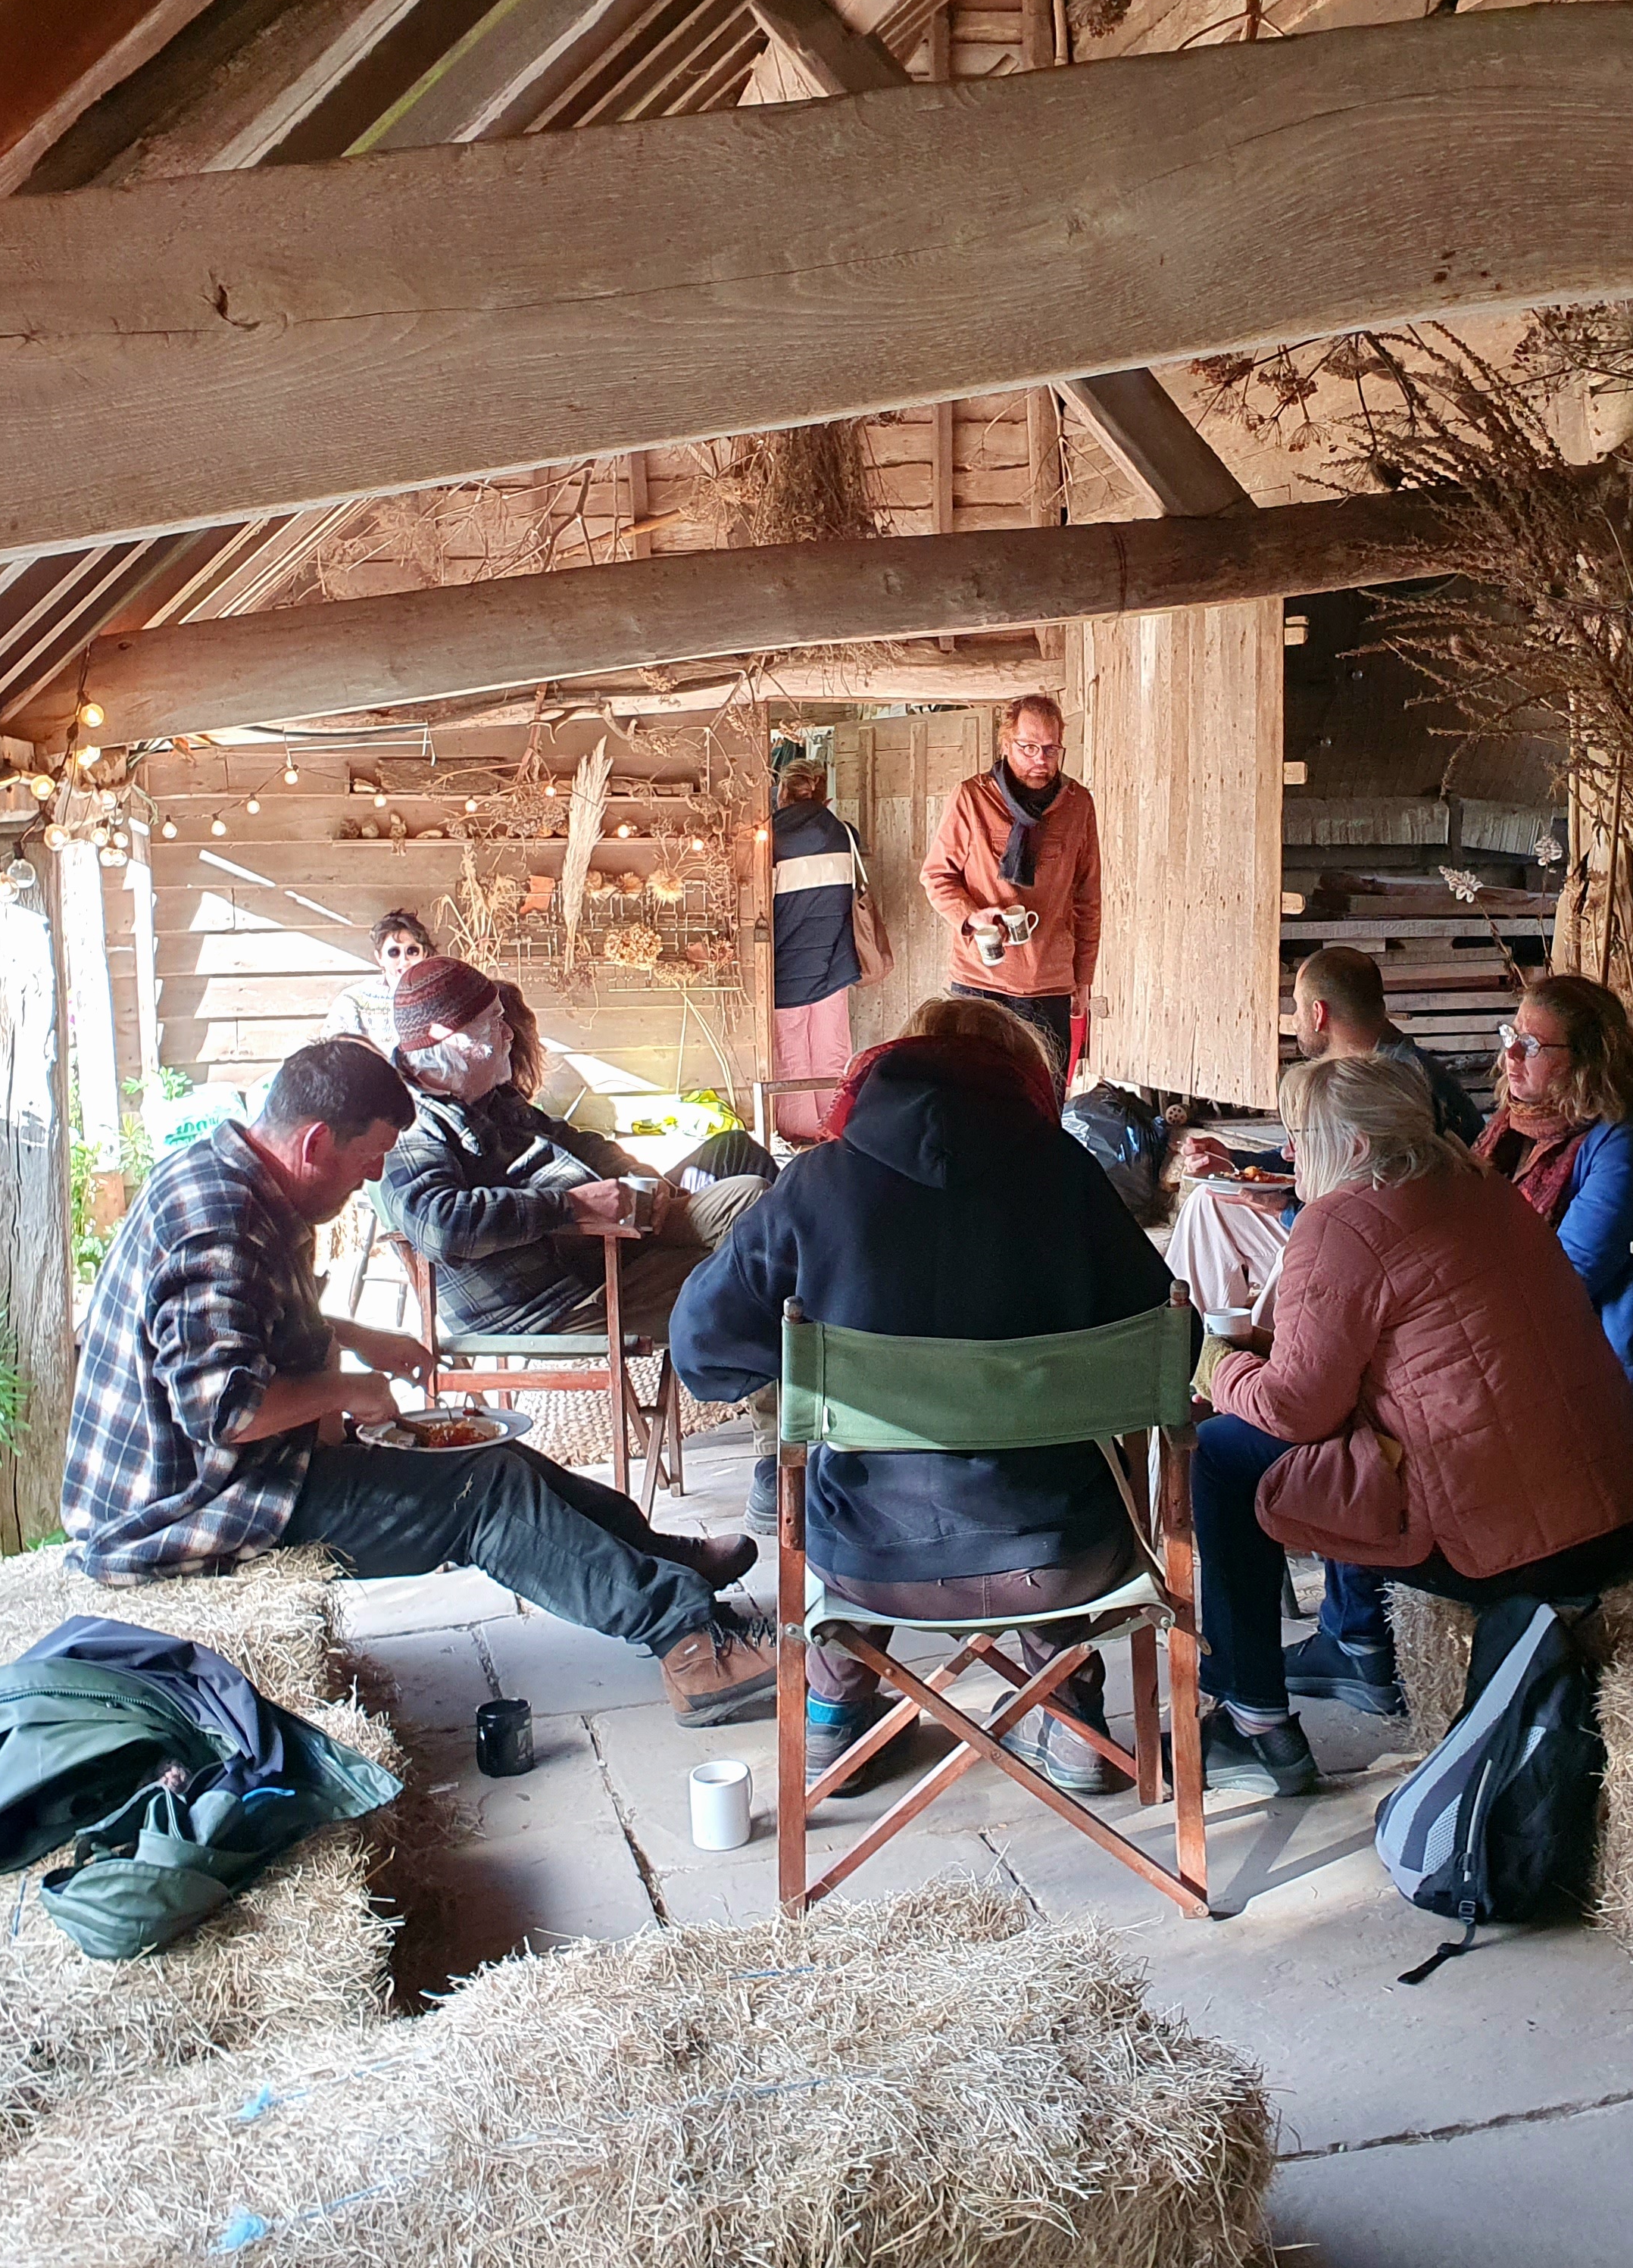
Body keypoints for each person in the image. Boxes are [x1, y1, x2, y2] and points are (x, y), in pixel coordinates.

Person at [61, 1037, 781, 1726]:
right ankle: (690, 1648)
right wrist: (344, 1391)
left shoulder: (234, 1179)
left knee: (492, 1461)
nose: (374, 1178)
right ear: (315, 1144)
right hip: (189, 1506)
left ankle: (658, 1560)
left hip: (223, 1473)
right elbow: (224, 1410)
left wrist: (352, 1337)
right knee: (484, 1496)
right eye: (368, 1158)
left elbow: (242, 1327)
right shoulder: (218, 1224)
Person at [671, 997, 1177, 1796]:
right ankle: (1075, 1721)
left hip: (869, 1562)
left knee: (871, 1487)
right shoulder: (1069, 1176)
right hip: (1060, 1559)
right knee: (1036, 1487)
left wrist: (811, 1361)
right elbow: (1162, 1344)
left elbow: (702, 1351)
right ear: (1021, 1079)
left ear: (891, 1068)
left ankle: (835, 1716)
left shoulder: (816, 1185)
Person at [1187, 1057, 1633, 1788]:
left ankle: (1256, 1720)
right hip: (1614, 1517)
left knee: (1221, 1451)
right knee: (1366, 1439)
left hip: (1509, 1549)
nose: (1286, 1153)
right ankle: (1357, 1648)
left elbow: (1293, 1410)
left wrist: (1216, 1367)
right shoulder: (1484, 1190)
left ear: (1354, 1147)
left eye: (1298, 1134)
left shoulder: (1341, 1219)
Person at [370, 958, 784, 1512]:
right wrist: (568, 1207)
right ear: (449, 1038)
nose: (509, 1032)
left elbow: (578, 1141)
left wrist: (643, 1180)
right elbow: (438, 1223)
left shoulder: (487, 1099)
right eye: (495, 1022)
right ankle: (779, 1457)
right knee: (747, 1277)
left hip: (604, 1245)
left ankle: (809, 1390)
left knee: (754, 1197)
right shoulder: (411, 1124)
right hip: (556, 1298)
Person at [1169, 945, 1483, 1318]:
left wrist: (1287, 1210)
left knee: (1302, 1249)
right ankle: (1187, 1345)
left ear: (1318, 1014)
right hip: (1342, 1220)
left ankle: (1251, 1350)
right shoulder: (1367, 1065)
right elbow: (1320, 1160)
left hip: (1392, 1249)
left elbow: (1381, 1215)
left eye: (1297, 1009)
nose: (1294, 1019)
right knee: (1209, 1203)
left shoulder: (1394, 1087)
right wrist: (1236, 1162)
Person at [1470, 974, 1633, 1412]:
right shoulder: (1516, 1124)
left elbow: (1567, 1275)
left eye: (1533, 1045)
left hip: (1603, 1354)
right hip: (1526, 1322)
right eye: (1511, 1035)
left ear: (1588, 1060)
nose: (1512, 1054)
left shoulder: (1628, 1141)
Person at [920, 694, 1099, 1085]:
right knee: (973, 1100)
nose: (1041, 759)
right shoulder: (971, 798)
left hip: (1049, 983)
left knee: (1043, 1102)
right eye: (1029, 747)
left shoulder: (1077, 805)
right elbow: (936, 876)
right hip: (979, 982)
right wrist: (971, 915)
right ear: (1006, 744)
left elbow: (1087, 896)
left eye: (1051, 749)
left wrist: (1083, 978)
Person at [770, 761, 863, 1142]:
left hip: (785, 968)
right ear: (825, 796)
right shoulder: (845, 834)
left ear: (782, 795)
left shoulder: (768, 840)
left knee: (791, 1059)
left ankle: (798, 1137)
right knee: (832, 1053)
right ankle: (834, 1131)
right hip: (835, 966)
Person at [321, 911, 435, 1051]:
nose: (404, 961)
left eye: (412, 951)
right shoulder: (352, 1001)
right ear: (379, 957)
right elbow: (329, 1057)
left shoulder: (441, 995)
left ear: (424, 954)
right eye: (394, 952)